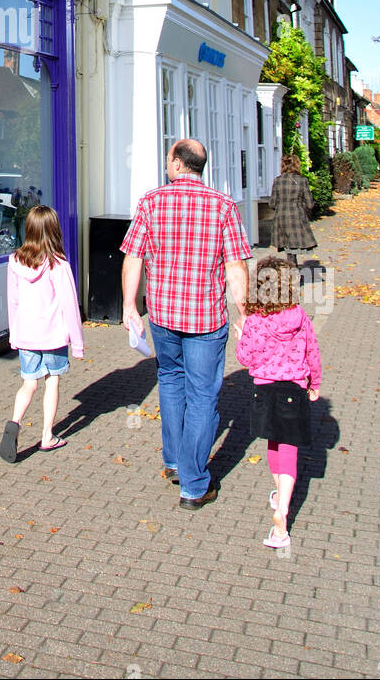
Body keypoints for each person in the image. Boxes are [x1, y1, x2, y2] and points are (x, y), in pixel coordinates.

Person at [121, 139, 251, 509]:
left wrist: (131, 305)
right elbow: (236, 267)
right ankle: (193, 482)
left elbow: (133, 257)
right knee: (202, 395)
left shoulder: (151, 202)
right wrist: (244, 313)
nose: (166, 165)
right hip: (206, 318)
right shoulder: (224, 206)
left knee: (171, 382)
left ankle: (178, 465)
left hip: (163, 316)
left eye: (168, 159)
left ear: (178, 163)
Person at [235, 255, 322, 548]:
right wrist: (315, 384)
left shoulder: (255, 322)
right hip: (293, 390)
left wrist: (240, 336)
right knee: (289, 447)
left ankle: (277, 498)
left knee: (273, 442)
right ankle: (283, 510)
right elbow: (313, 354)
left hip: (265, 390)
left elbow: (245, 359)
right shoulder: (300, 318)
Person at [0, 205, 84, 462]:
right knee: (52, 382)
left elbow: (12, 301)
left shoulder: (15, 261)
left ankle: (14, 423)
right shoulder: (58, 264)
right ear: (54, 230)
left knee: (29, 383)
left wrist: (14, 335)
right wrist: (77, 344)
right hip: (53, 335)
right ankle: (47, 436)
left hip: (26, 335)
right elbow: (70, 306)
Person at [269, 153, 316, 264]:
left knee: (288, 248)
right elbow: (310, 204)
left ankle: (292, 272)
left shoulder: (277, 181)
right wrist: (299, 206)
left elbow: (272, 203)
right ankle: (293, 274)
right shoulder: (302, 181)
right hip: (296, 217)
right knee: (292, 248)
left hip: (281, 218)